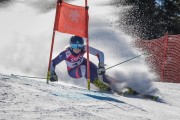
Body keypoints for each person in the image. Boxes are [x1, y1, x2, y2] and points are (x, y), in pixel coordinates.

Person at [50, 35, 116, 91]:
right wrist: (52, 73)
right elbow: (52, 62)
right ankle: (98, 84)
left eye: (79, 46)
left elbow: (100, 53)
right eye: (74, 46)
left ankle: (116, 85)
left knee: (100, 73)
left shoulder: (84, 48)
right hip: (73, 71)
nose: (77, 48)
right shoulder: (66, 53)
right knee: (83, 68)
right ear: (70, 46)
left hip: (84, 63)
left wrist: (101, 66)